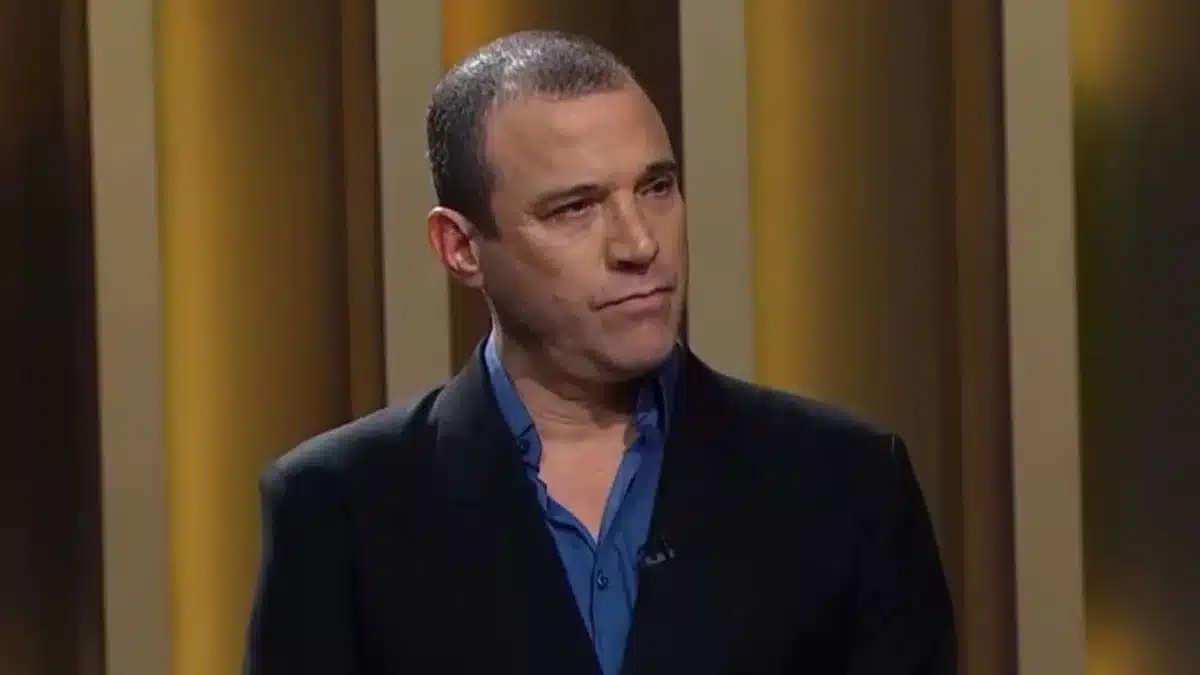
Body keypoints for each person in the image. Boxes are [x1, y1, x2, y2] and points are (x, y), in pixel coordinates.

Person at [244, 30, 956, 675]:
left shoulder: (846, 484)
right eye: (575, 208)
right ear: (461, 247)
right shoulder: (338, 508)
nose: (639, 243)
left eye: (657, 188)